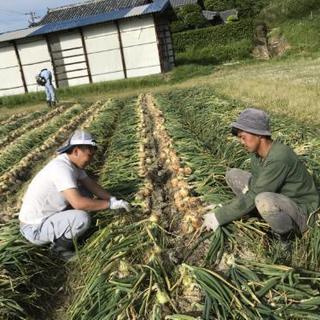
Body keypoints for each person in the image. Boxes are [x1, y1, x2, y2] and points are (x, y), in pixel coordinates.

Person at [203, 108, 319, 243]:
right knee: (233, 175)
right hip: (277, 197)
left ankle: (287, 238)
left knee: (263, 200)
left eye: (243, 137)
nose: (241, 142)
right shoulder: (257, 155)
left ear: (258, 134)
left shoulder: (279, 157)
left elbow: (256, 194)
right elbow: (254, 188)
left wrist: (219, 216)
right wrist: (224, 206)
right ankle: (256, 212)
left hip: (302, 211)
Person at [19, 129, 130, 260]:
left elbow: (91, 185)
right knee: (81, 218)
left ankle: (68, 231)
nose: (91, 158)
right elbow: (78, 203)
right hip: (35, 227)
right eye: (89, 154)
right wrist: (109, 205)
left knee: (85, 191)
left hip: (49, 215)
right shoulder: (61, 168)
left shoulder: (73, 165)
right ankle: (59, 249)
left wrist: (112, 199)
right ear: (76, 151)